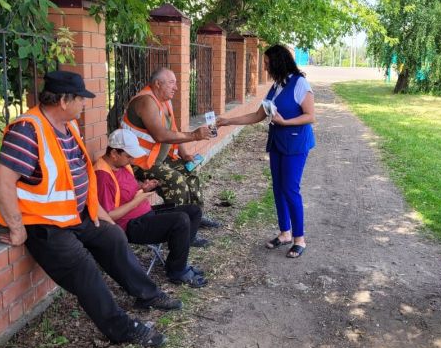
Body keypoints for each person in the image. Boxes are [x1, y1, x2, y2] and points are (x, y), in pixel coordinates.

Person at [0, 71, 181, 348]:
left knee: (113, 236)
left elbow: (76, 176)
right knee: (84, 268)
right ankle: (122, 329)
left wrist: (97, 212)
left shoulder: (68, 126)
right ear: (64, 100)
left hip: (74, 214)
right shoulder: (27, 130)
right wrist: (18, 229)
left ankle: (147, 294)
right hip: (43, 224)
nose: (84, 105)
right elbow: (2, 181)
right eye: (81, 99)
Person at [216, 44, 315, 259]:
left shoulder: (300, 84)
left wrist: (285, 122)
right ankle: (285, 233)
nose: (265, 66)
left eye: (268, 63)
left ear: (278, 62)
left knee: (290, 189)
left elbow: (310, 116)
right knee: (278, 188)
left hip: (296, 145)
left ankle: (300, 239)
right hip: (278, 143)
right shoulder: (276, 86)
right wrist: (227, 121)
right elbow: (257, 115)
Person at [95, 129, 209, 288]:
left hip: (146, 214)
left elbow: (128, 192)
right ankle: (177, 271)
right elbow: (107, 216)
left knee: (193, 211)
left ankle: (179, 258)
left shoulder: (121, 165)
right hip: (131, 226)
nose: (131, 160)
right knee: (181, 220)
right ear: (114, 153)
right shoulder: (103, 176)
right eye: (128, 156)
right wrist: (137, 201)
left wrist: (144, 188)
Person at [122, 68, 221, 228]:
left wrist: (185, 154)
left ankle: (195, 217)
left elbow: (173, 130)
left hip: (156, 159)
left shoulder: (164, 100)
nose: (176, 88)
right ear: (157, 84)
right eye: (171, 83)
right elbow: (160, 136)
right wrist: (194, 135)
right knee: (177, 181)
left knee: (190, 171)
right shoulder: (146, 101)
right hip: (139, 162)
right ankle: (180, 228)